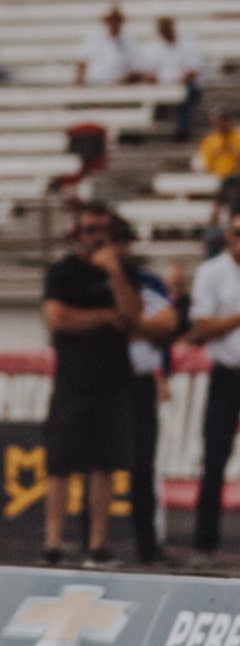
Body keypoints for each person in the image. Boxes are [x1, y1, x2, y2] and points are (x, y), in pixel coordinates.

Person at [40, 202, 140, 567]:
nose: (97, 238)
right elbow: (58, 319)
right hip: (73, 379)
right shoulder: (63, 272)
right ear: (78, 233)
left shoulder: (124, 270)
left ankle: (97, 543)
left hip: (113, 379)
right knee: (61, 464)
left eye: (103, 231)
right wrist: (103, 316)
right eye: (90, 230)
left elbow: (133, 317)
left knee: (105, 464)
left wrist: (115, 275)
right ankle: (53, 541)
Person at [115, 219, 182, 565]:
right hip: (106, 383)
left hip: (140, 381)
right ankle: (94, 543)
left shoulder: (149, 282)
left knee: (143, 464)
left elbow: (166, 327)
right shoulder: (92, 281)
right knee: (98, 465)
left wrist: (130, 326)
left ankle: (146, 544)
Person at [183, 214, 240, 562]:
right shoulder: (211, 272)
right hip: (227, 372)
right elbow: (200, 328)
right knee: (214, 456)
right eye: (236, 232)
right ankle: (204, 543)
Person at [144, 16, 204, 142]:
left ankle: (182, 130)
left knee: (184, 94)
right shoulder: (154, 48)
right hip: (164, 86)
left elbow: (193, 71)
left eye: (166, 28)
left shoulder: (188, 44)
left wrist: (176, 81)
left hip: (185, 85)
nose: (164, 32)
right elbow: (149, 73)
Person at [76, 7, 144, 87]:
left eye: (117, 21)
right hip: (93, 84)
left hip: (118, 87)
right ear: (106, 22)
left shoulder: (129, 42)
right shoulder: (95, 38)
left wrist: (122, 81)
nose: (114, 24)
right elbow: (83, 61)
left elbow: (136, 70)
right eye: (111, 21)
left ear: (121, 22)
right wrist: (79, 82)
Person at [197, 106, 240, 180]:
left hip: (235, 179)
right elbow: (205, 163)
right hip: (214, 178)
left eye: (225, 119)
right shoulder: (209, 140)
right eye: (220, 119)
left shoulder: (238, 138)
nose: (222, 123)